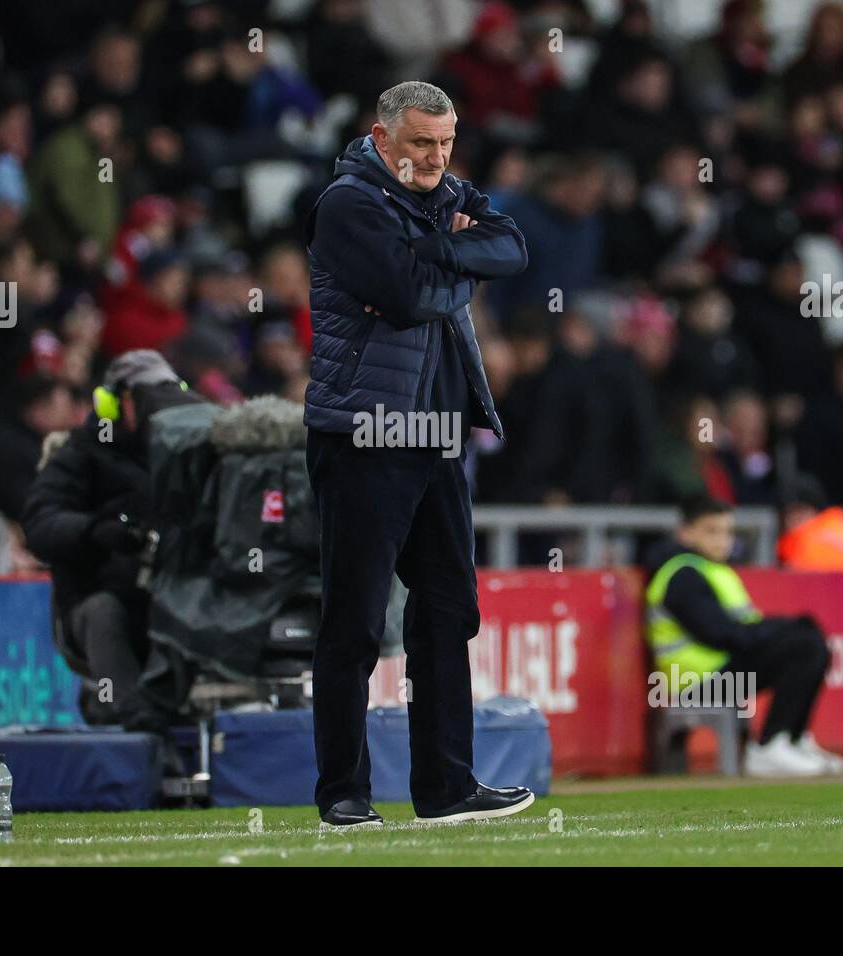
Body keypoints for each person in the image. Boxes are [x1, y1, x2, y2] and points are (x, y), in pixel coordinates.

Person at [303, 81, 533, 827]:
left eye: (446, 144)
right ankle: (343, 791)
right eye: (421, 145)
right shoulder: (347, 203)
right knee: (356, 619)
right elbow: (405, 294)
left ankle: (445, 788)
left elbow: (513, 247)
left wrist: (436, 251)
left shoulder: (440, 192)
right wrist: (451, 260)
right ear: (382, 137)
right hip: (364, 433)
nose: (437, 158)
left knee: (446, 614)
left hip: (438, 435)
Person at [21, 350, 198, 732]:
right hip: (99, 596)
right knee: (105, 611)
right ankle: (138, 723)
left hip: (174, 594)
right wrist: (95, 531)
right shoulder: (81, 452)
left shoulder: (190, 453)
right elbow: (40, 523)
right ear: (119, 402)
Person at [644, 495, 843, 776]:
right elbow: (721, 634)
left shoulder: (713, 570)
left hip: (721, 673)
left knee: (807, 638)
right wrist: (781, 629)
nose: (721, 540)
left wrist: (784, 627)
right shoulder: (681, 575)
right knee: (802, 645)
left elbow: (741, 629)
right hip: (696, 683)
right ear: (685, 533)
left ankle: (791, 738)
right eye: (711, 531)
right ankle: (771, 744)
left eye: (727, 532)